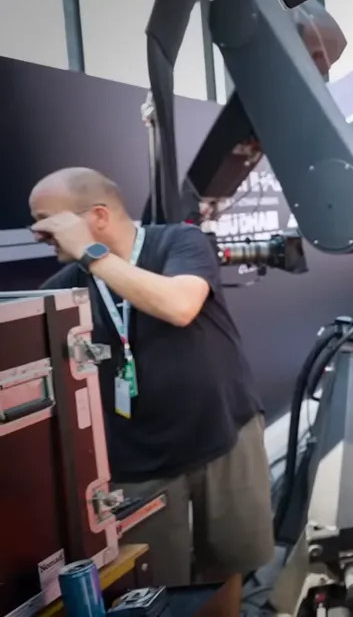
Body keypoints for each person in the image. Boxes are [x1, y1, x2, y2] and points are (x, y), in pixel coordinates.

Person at [29, 168, 271, 615]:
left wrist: (92, 253)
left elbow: (180, 305)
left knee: (228, 561)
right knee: (155, 582)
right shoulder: (68, 286)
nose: (37, 232)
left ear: (97, 216)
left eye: (47, 221)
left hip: (222, 435)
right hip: (139, 462)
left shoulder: (180, 243)